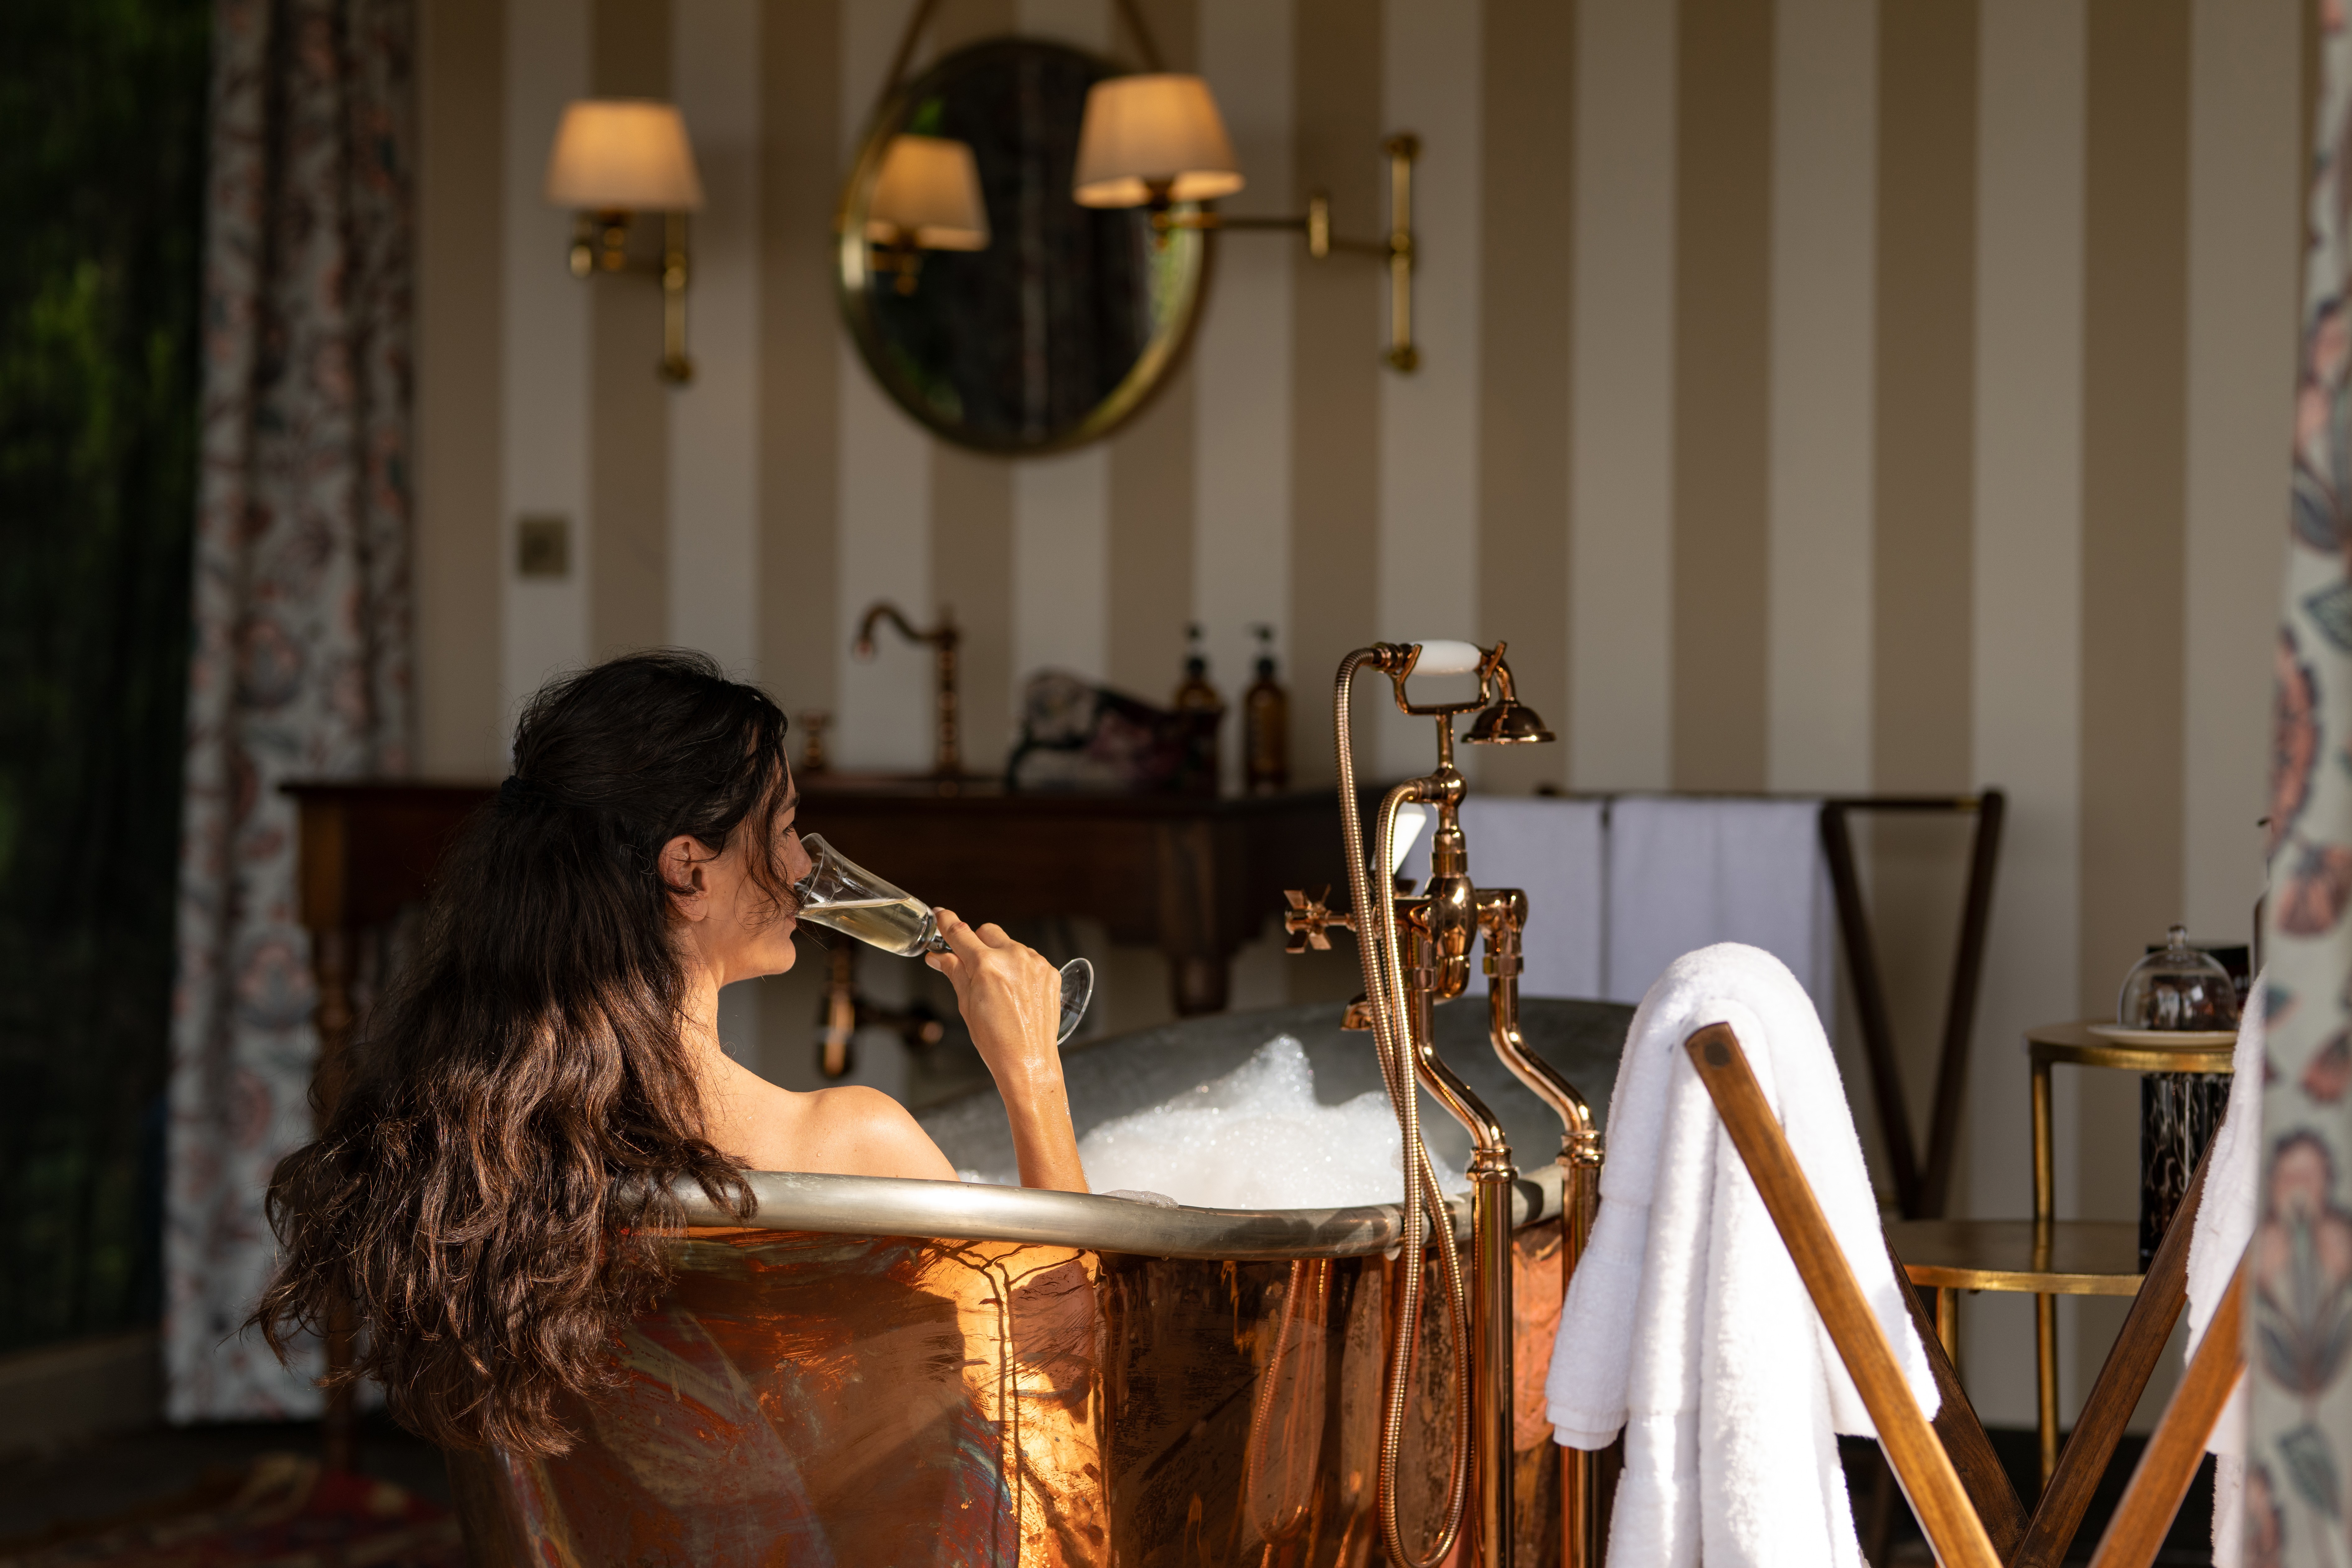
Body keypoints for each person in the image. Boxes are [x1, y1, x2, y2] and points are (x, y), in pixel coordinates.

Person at [251, 650, 1085, 1454]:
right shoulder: (850, 1146)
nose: (802, 867)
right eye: (788, 828)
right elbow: (1067, 1391)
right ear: (690, 871)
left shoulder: (478, 1152)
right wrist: (1032, 1072)